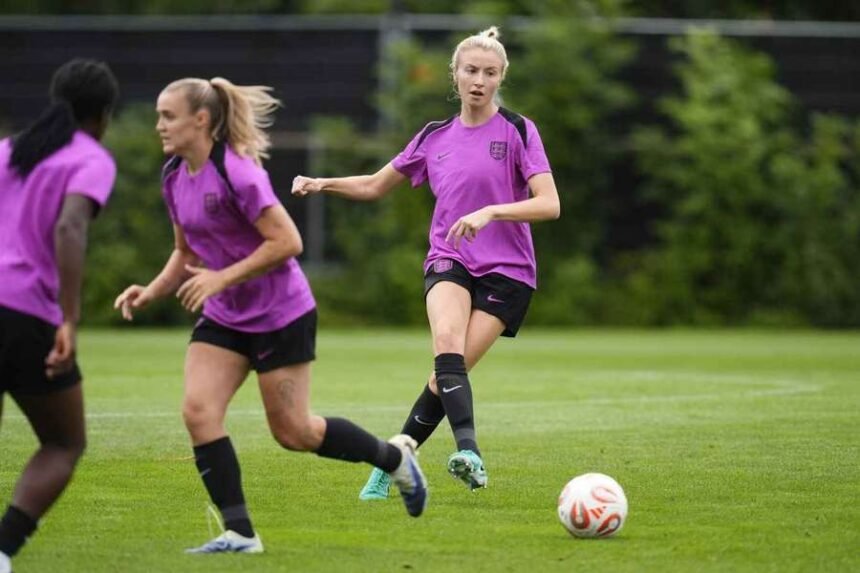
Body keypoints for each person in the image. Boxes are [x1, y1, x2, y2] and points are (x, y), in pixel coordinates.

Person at [113, 76, 427, 554]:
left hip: (280, 314)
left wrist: (220, 277)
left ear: (201, 120)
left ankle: (394, 460)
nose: (159, 125)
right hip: (225, 316)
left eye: (168, 116)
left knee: (295, 433)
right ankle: (240, 534)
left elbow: (288, 242)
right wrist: (152, 290)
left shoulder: (238, 173)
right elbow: (185, 251)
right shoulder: (174, 175)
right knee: (198, 412)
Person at [291, 26, 560, 500]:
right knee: (446, 346)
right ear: (455, 75)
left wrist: (492, 211)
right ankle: (470, 453)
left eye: (490, 73)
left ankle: (393, 459)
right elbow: (375, 184)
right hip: (449, 256)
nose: (479, 80)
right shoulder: (435, 136)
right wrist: (323, 183)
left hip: (508, 271)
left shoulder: (519, 130)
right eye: (471, 70)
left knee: (446, 375)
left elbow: (549, 204)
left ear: (501, 78)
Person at [0, 59, 120, 573]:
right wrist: (69, 319)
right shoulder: (90, 157)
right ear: (103, 114)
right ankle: (3, 549)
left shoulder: (7, 150)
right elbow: (70, 227)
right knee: (64, 442)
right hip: (24, 312)